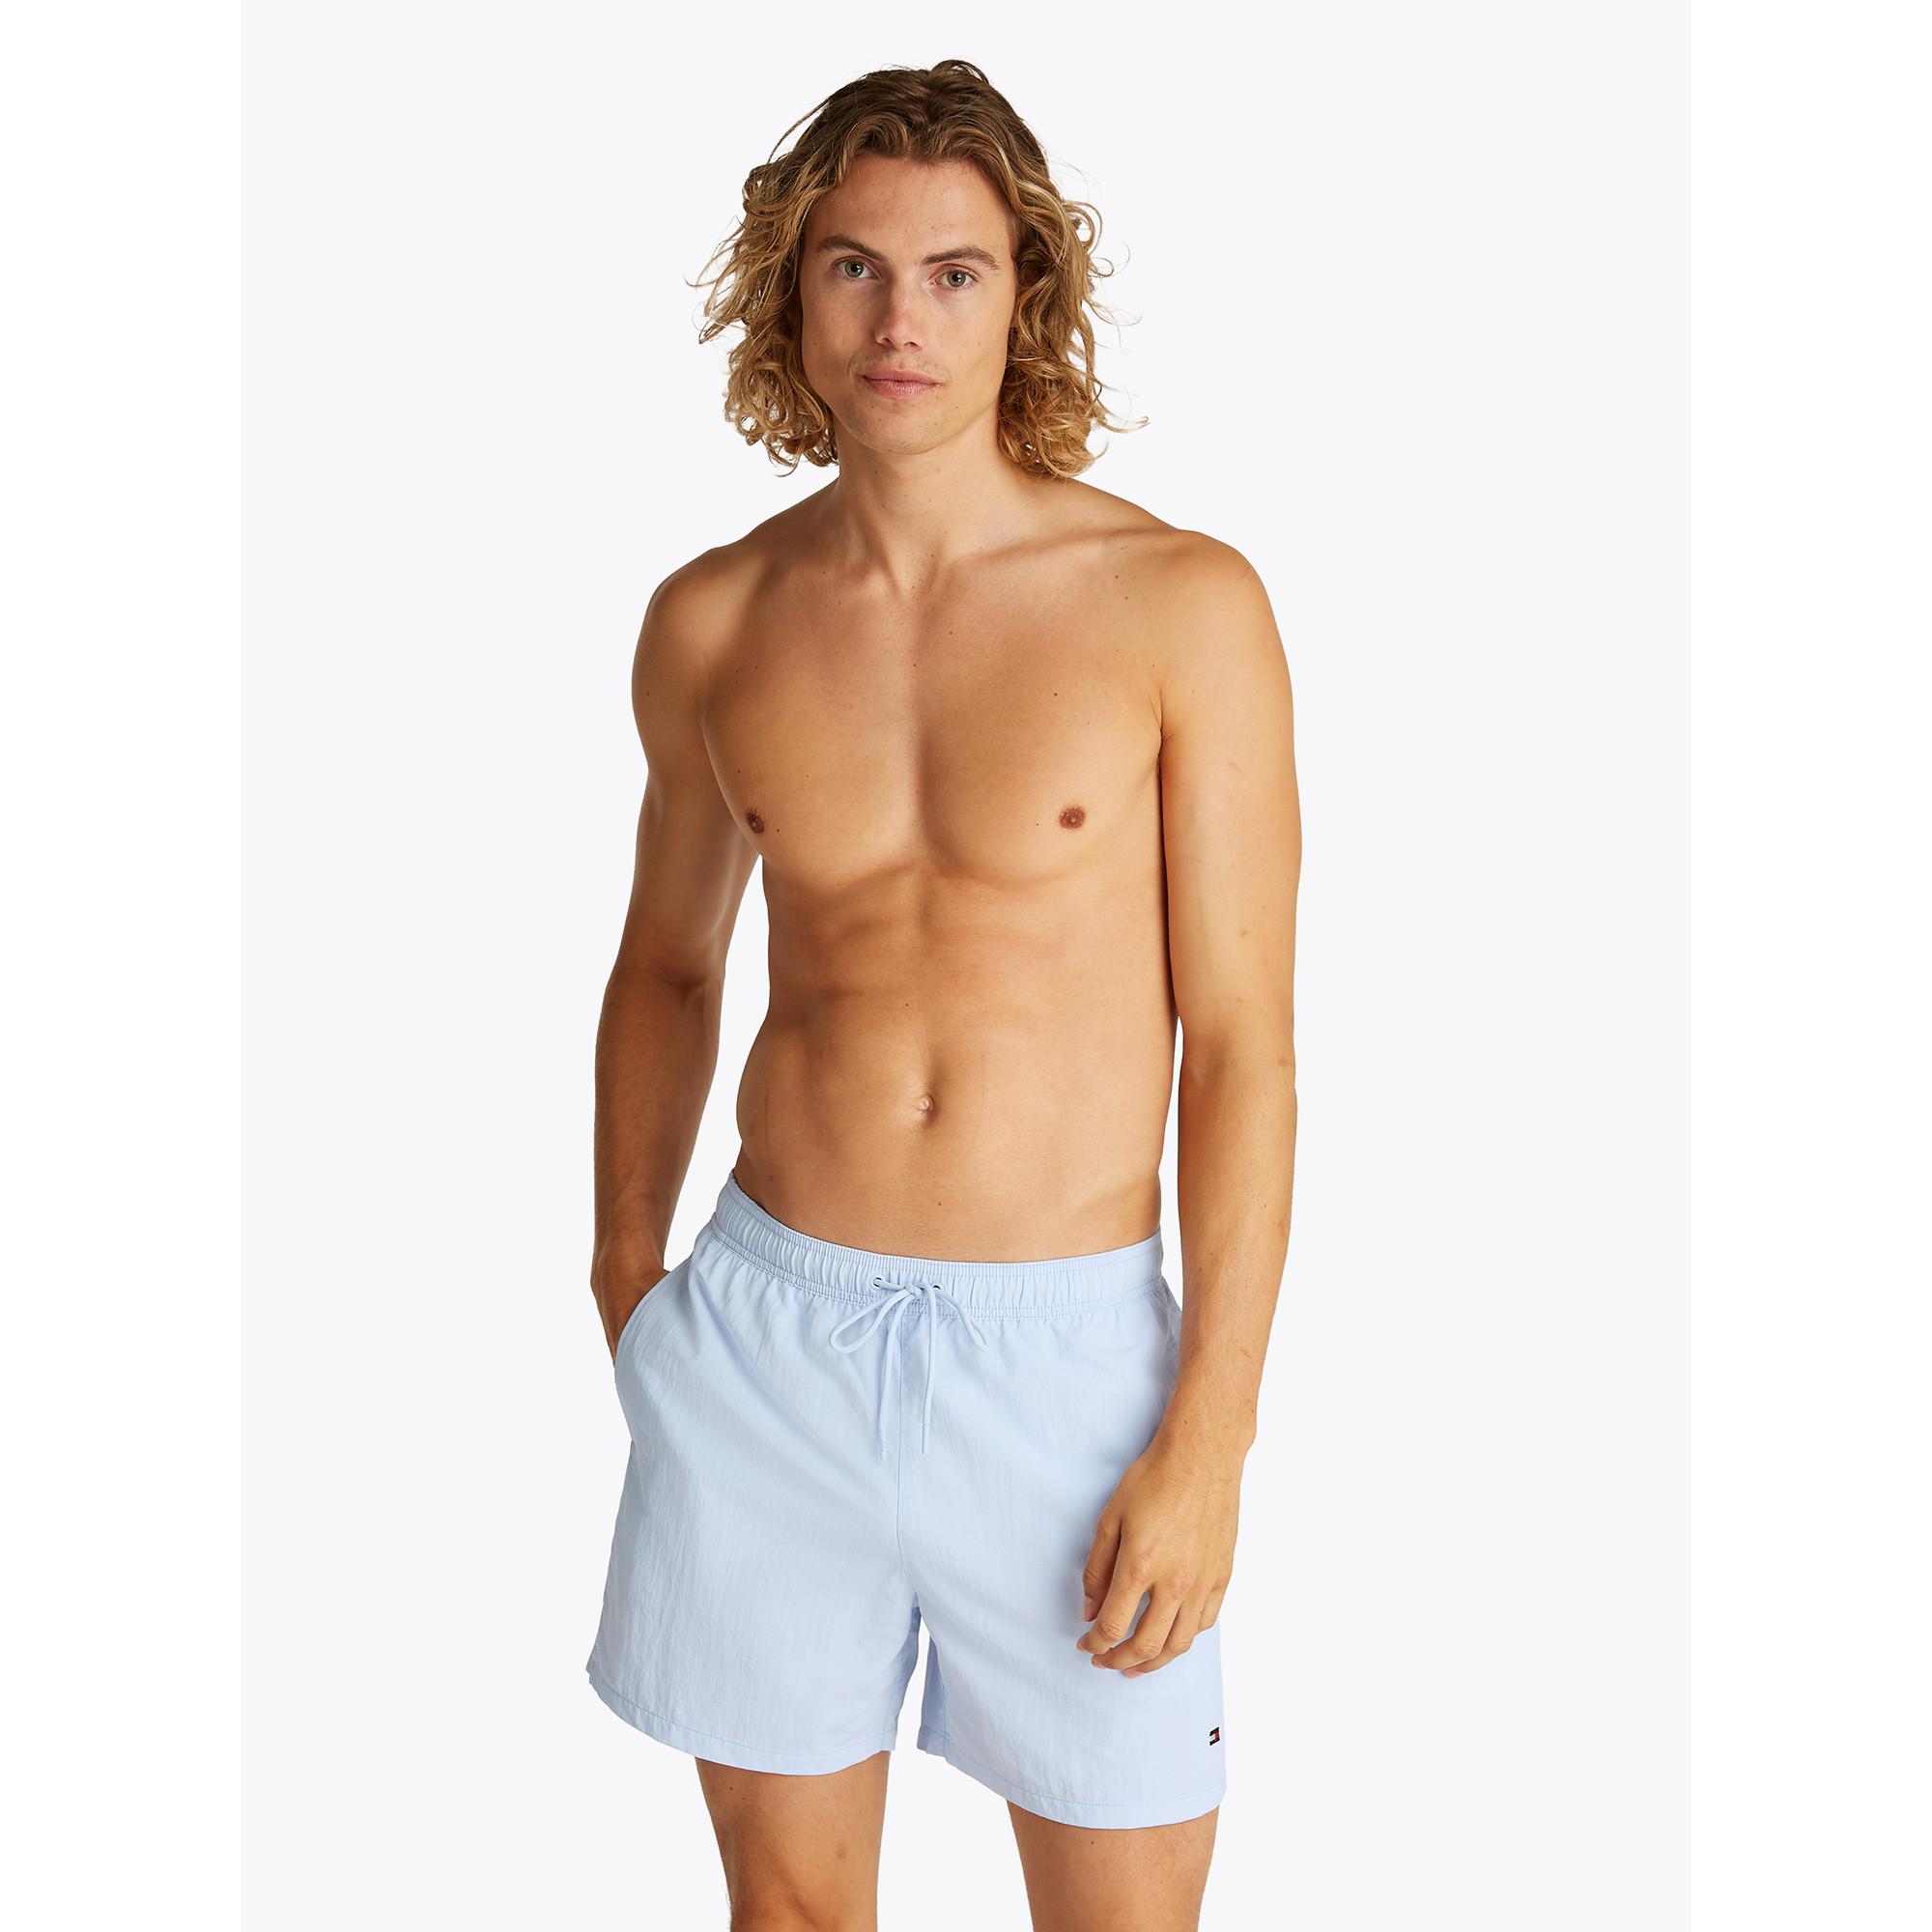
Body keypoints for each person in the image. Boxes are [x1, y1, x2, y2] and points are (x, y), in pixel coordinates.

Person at [585, 58, 1298, 1932]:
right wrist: (627, 1273)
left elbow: (1241, 1050)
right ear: (791, 292)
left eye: (955, 272)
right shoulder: (714, 619)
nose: (900, 319)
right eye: (855, 267)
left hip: (1063, 1370)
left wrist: (1210, 1431)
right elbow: (667, 962)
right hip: (766, 1339)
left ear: (1023, 297)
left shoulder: (1180, 604)